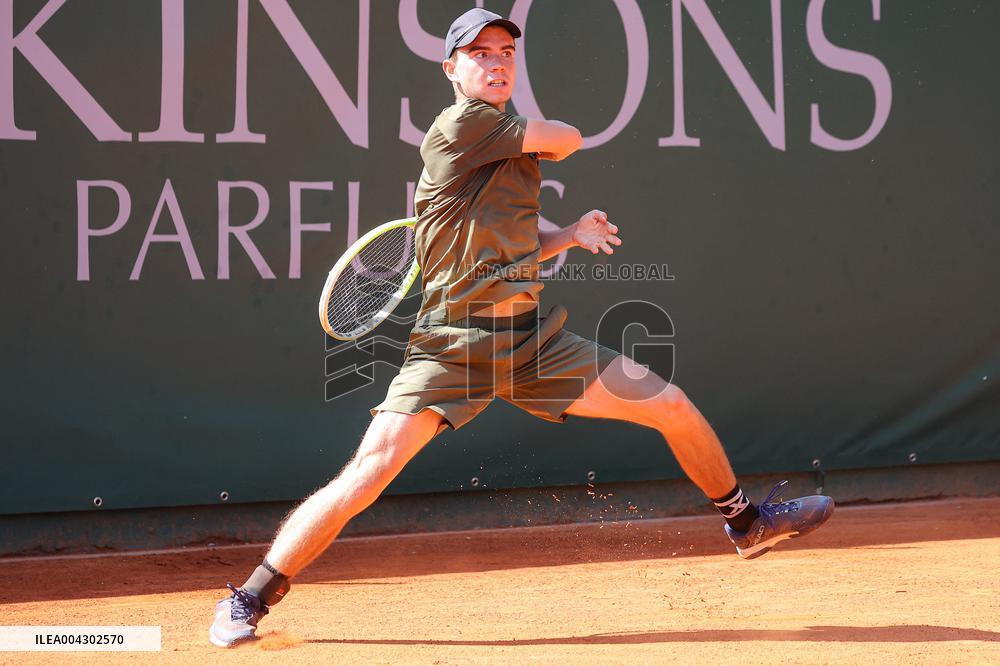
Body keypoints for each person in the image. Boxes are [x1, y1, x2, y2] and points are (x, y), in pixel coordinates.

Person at [209, 9, 834, 648]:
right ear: (451, 68)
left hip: (532, 341)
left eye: (505, 50)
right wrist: (547, 149)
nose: (497, 60)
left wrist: (568, 234)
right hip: (452, 345)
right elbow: (568, 137)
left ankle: (745, 522)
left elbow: (518, 237)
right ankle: (250, 596)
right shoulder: (466, 124)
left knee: (668, 404)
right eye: (479, 53)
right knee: (366, 474)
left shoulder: (504, 148)